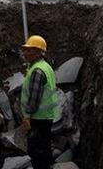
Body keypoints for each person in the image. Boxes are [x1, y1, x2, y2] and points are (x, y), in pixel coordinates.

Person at [20, 35, 60, 169]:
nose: (25, 53)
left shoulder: (37, 70)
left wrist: (27, 116)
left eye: (30, 50)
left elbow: (34, 98)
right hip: (47, 116)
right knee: (45, 147)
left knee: (36, 151)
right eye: (25, 50)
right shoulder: (45, 66)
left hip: (38, 117)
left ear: (39, 52)